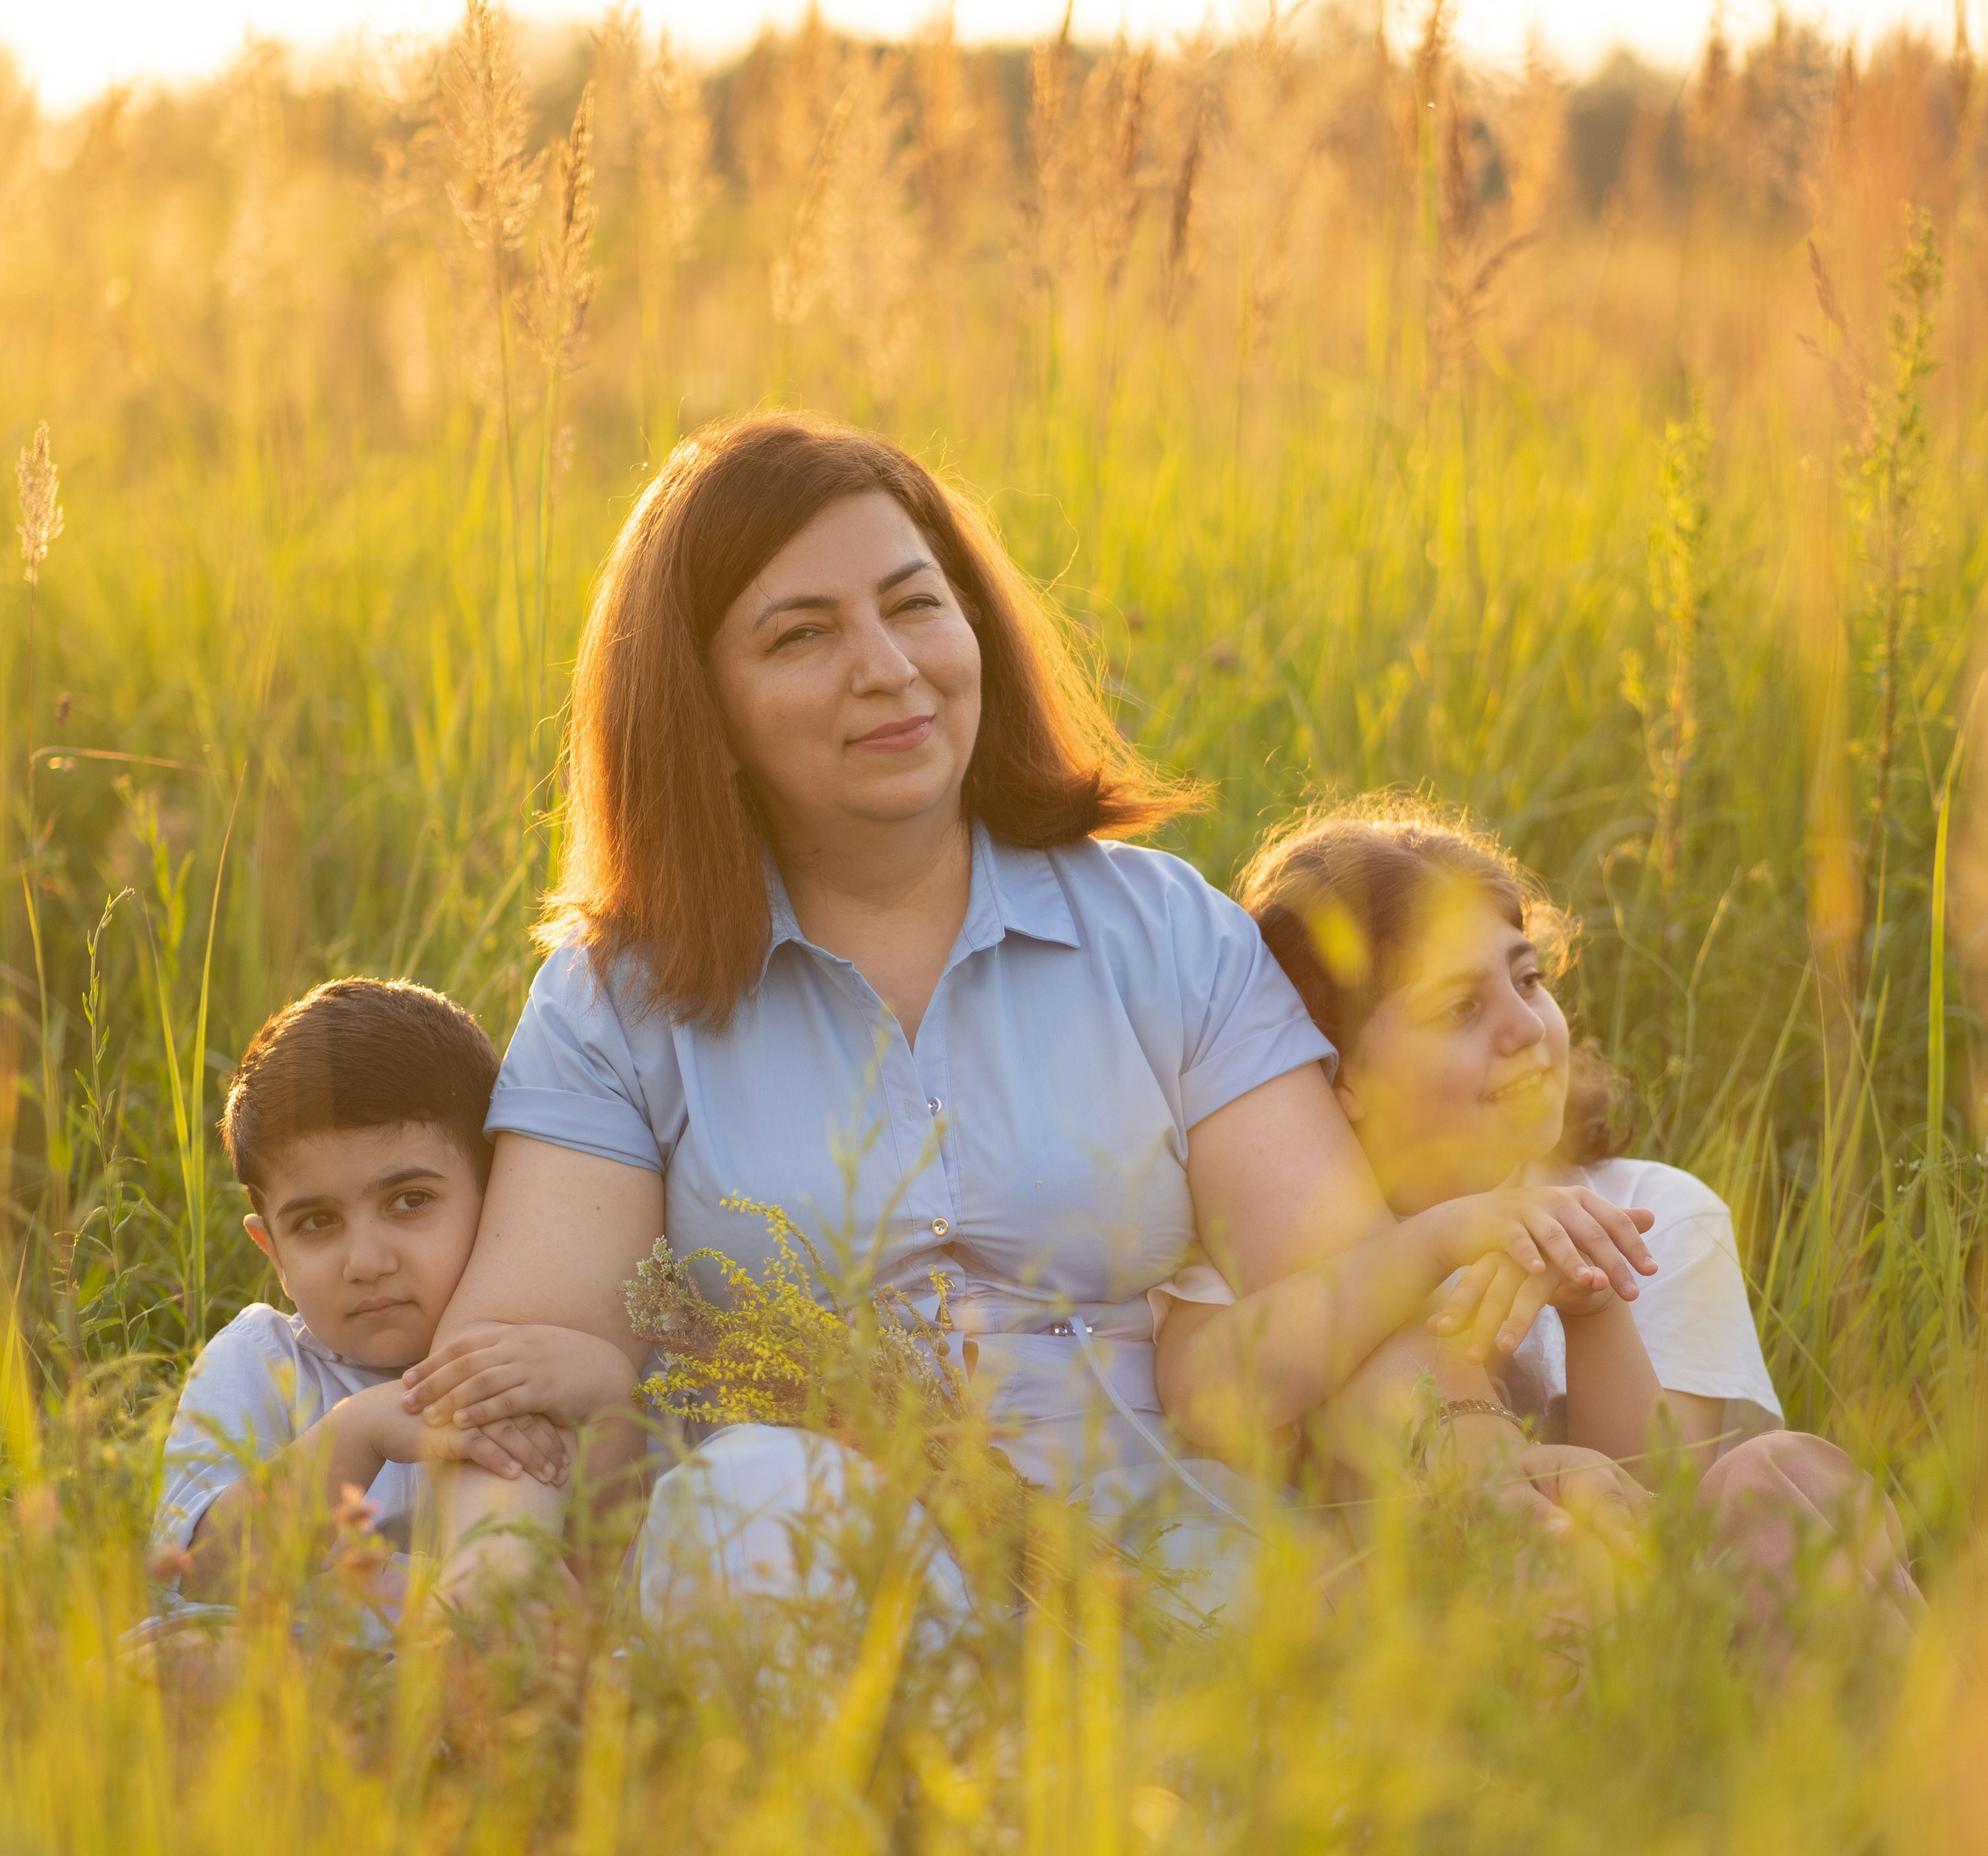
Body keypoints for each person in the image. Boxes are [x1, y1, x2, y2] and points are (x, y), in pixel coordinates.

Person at [411, 415, 1657, 1627]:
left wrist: (1480, 1493)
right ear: (704, 712)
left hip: (1161, 1563)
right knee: (760, 1498)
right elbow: (513, 1370)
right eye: (801, 635)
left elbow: (1339, 1293)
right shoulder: (619, 998)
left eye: (914, 605)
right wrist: (482, 1628)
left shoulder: (1165, 936)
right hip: (805, 1568)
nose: (888, 667)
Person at [1155, 805, 1919, 1647]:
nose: (1526, 1029)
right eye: (1459, 1009)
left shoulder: (1655, 1215)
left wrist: (1592, 1307)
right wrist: (1433, 1242)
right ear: (1338, 1077)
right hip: (1430, 1657)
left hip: (1655, 1630)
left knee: (1778, 1474)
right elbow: (1205, 1393)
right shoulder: (1278, 1240)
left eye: (1528, 980)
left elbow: (1677, 1505)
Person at [148, 978, 627, 1621]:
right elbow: (195, 1575)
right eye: (317, 1222)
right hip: (299, 1690)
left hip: (485, 1691)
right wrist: (362, 1430)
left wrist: (607, 1392)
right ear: (274, 1254)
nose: (367, 1263)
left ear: (503, 1203)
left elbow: (614, 1580)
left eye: (409, 1202)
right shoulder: (260, 1363)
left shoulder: (536, 1361)